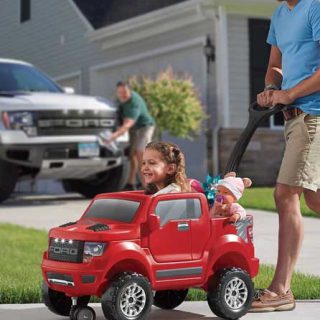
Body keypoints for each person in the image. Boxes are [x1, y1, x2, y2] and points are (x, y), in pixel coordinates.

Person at [251, 0, 320, 312]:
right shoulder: (280, 14)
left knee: (285, 194)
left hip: (312, 115)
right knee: (314, 198)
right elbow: (275, 66)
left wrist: (290, 93)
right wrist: (270, 88)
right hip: (291, 118)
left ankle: (281, 289)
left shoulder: (315, 7)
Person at [103, 81, 155, 190]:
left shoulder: (134, 103)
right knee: (131, 155)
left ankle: (148, 186)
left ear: (129, 91)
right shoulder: (121, 101)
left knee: (140, 152)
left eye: (125, 92)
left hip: (145, 127)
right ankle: (131, 184)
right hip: (134, 129)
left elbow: (127, 124)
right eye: (120, 92)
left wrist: (113, 136)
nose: (122, 94)